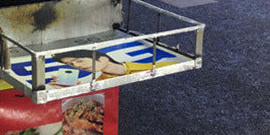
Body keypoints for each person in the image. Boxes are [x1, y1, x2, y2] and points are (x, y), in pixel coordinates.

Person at [54, 49, 183, 80]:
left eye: (79, 60)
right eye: (71, 64)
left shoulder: (159, 66)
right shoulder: (99, 80)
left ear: (103, 59)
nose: (77, 66)